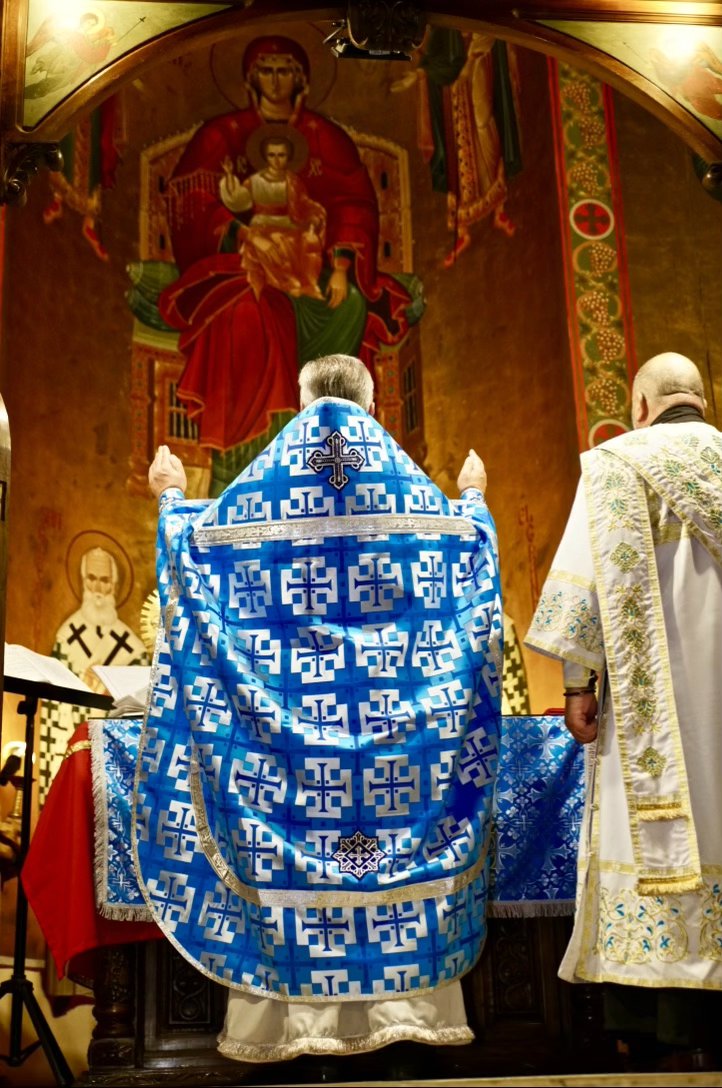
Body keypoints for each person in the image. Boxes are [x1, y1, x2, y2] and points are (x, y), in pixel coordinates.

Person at [141, 353, 502, 1067]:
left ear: (299, 401)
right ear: (374, 404)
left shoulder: (265, 492)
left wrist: (172, 499)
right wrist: (474, 502)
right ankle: (409, 1011)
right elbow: (473, 566)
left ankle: (289, 1021)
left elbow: (195, 554)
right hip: (400, 754)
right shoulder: (411, 495)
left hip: (284, 755)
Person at [525, 352, 722, 1068]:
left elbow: (581, 595)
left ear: (640, 406)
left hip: (655, 717)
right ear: (702, 401)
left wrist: (580, 686)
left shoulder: (617, 466)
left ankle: (656, 1022)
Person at [158, 35, 411, 463]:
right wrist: (240, 233)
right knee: (245, 316)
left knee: (350, 306)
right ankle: (246, 456)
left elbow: (352, 204)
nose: (276, 81)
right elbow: (193, 199)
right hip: (245, 259)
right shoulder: (222, 134)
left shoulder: (326, 138)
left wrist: (341, 266)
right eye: (267, 71)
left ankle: (334, 446)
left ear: (302, 79)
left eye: (284, 71)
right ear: (251, 79)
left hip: (307, 263)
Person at [39, 545, 148, 804]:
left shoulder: (132, 648)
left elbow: (141, 711)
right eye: (92, 578)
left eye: (104, 580)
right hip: (72, 749)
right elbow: (52, 711)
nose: (98, 587)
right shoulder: (67, 637)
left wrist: (110, 693)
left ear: (115, 585)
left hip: (112, 766)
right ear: (82, 580)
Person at [220, 133, 326, 301]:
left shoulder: (293, 181)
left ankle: (307, 286)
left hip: (289, 225)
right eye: (272, 155)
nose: (276, 160)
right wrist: (229, 177)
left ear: (288, 157)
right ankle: (288, 286)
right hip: (261, 226)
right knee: (279, 243)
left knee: (309, 241)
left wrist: (314, 218)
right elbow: (238, 201)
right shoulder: (255, 180)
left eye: (281, 155)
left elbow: (304, 204)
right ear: (265, 157)